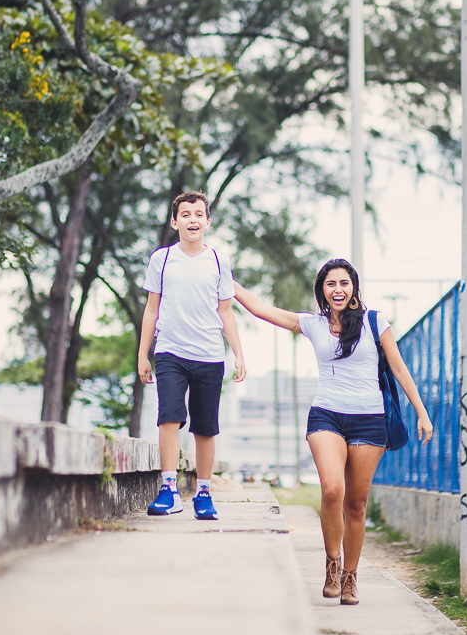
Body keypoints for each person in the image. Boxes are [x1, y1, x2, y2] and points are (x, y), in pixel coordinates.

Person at [233, 258, 432, 605]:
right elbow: (262, 310)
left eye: (343, 283)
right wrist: (227, 281)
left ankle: (351, 578)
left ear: (353, 288)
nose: (337, 289)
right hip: (326, 415)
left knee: (356, 504)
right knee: (332, 489)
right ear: (321, 290)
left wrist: (421, 411)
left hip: (370, 420)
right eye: (330, 284)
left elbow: (398, 367)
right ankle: (332, 564)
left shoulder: (374, 322)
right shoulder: (313, 324)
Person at [138, 191, 246, 520]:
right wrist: (143, 354)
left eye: (199, 214)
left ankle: (203, 493)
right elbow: (151, 308)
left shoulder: (217, 261)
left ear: (208, 222)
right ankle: (169, 490)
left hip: (210, 355)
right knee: (168, 417)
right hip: (170, 350)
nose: (193, 219)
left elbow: (226, 312)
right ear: (175, 222)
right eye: (185, 214)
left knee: (205, 427)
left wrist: (239, 355)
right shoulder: (162, 259)